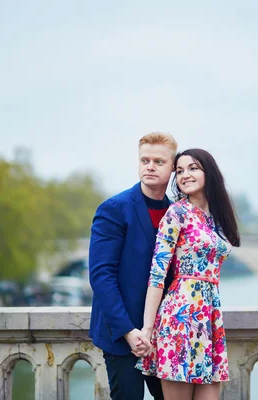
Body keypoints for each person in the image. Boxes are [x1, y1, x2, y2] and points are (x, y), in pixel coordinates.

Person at [135, 148, 241, 400]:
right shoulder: (176, 213)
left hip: (209, 321)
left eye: (193, 168)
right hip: (179, 320)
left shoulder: (216, 218)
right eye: (180, 171)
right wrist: (147, 329)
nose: (185, 175)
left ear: (209, 173)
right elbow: (158, 273)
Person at [88, 132, 178, 400]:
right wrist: (129, 331)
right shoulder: (114, 209)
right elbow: (101, 276)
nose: (150, 166)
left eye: (158, 162)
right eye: (144, 160)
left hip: (164, 336)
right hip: (121, 336)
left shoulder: (176, 212)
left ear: (173, 167)